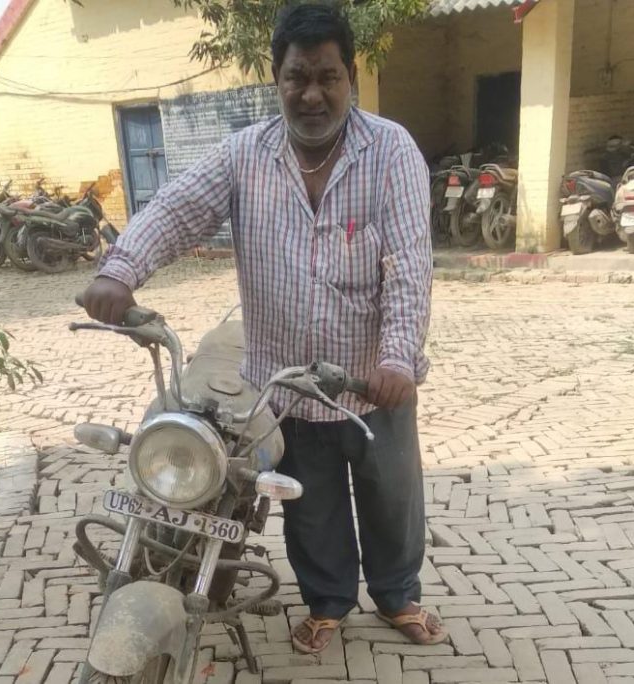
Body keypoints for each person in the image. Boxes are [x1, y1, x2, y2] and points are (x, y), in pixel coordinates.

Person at [82, 1, 444, 654]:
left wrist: (397, 358)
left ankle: (398, 595)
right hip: (285, 383)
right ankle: (329, 603)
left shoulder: (391, 151)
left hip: (372, 381)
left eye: (327, 77)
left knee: (393, 498)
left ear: (350, 76)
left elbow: (409, 265)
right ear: (276, 78)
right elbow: (177, 209)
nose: (312, 94)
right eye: (297, 77)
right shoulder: (242, 155)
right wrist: (121, 270)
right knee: (311, 506)